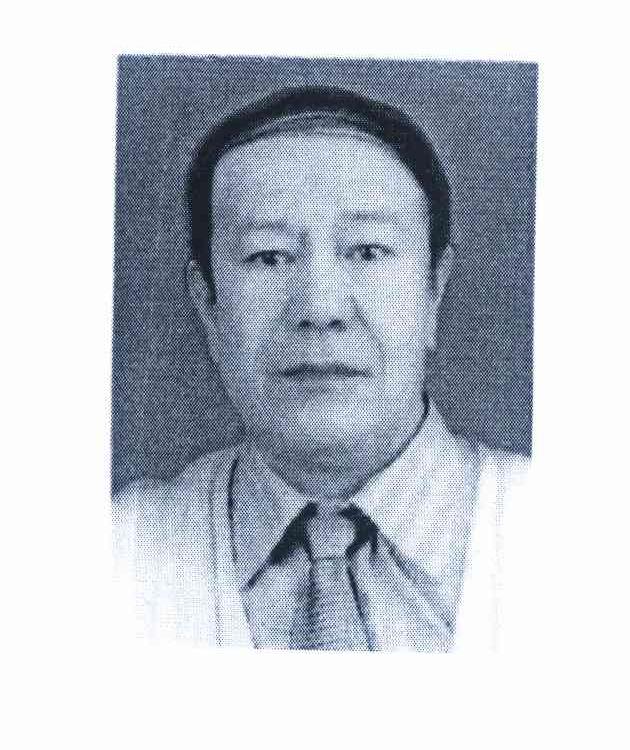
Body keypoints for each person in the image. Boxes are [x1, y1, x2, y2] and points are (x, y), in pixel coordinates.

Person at [112, 85, 530, 652]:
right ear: (206, 302)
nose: (321, 309)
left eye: (368, 252)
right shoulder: (118, 549)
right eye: (269, 257)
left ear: (434, 289)